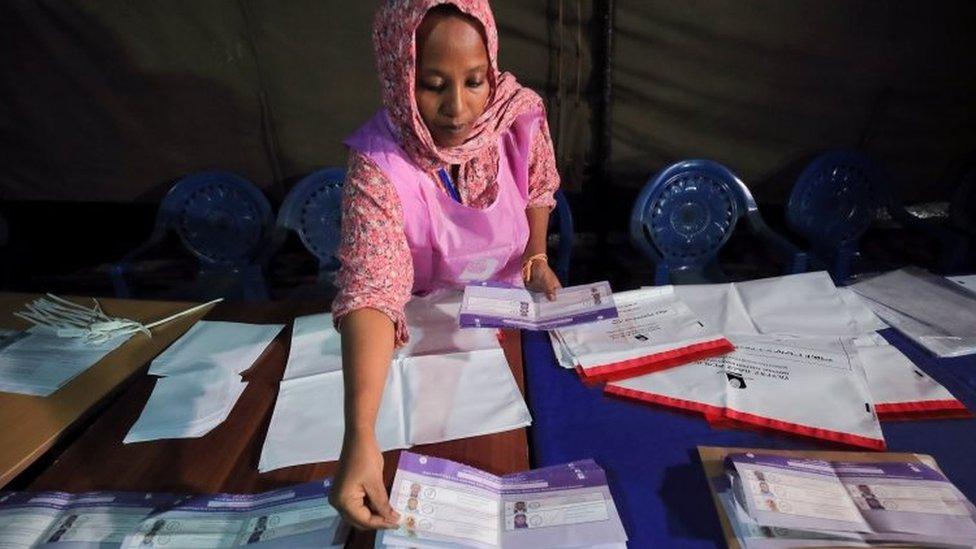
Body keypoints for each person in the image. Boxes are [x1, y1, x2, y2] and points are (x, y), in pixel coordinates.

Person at [327, 0, 562, 531]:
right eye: (433, 85)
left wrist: (536, 254)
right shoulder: (379, 162)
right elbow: (371, 287)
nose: (459, 108)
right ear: (398, 73)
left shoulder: (517, 114)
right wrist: (361, 434)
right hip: (422, 334)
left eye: (475, 80)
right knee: (443, 455)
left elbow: (539, 184)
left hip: (505, 325)